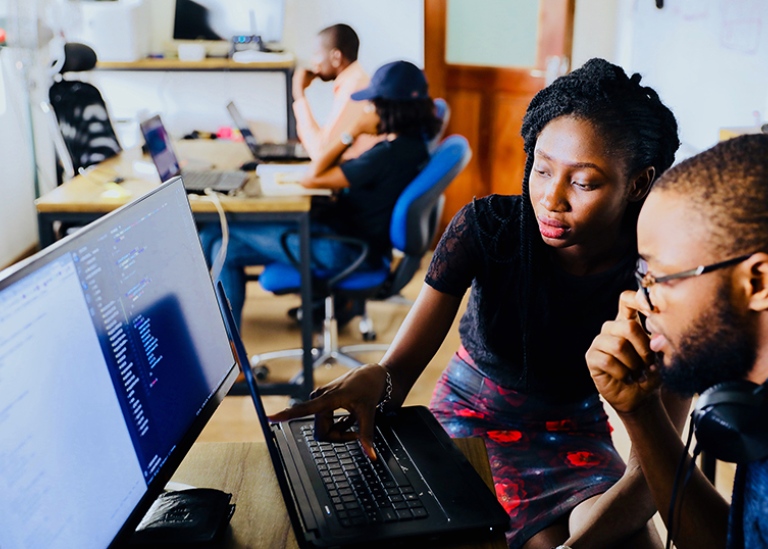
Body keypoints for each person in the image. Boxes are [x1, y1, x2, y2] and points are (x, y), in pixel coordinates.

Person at [271, 58, 685, 549]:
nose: (551, 198)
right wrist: (374, 379)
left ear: (637, 183)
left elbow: (653, 475)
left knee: (634, 543)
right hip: (469, 421)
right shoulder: (487, 229)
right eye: (542, 168)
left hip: (574, 435)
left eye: (583, 182)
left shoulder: (661, 278)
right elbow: (398, 371)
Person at [585, 134, 768, 549]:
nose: (637, 302)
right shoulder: (753, 400)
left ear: (758, 282)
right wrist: (641, 412)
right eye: (641, 273)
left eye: (659, 278)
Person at [201, 60, 441, 328]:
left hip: (343, 249)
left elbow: (312, 176)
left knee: (217, 236)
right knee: (222, 244)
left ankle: (221, 343)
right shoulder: (414, 147)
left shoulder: (386, 156)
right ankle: (230, 348)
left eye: (371, 103)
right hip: (355, 241)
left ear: (388, 108)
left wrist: (352, 131)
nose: (366, 109)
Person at [292, 23, 379, 161]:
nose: (313, 62)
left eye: (316, 54)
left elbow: (321, 153)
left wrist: (299, 95)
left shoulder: (354, 87)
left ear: (336, 57)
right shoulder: (354, 80)